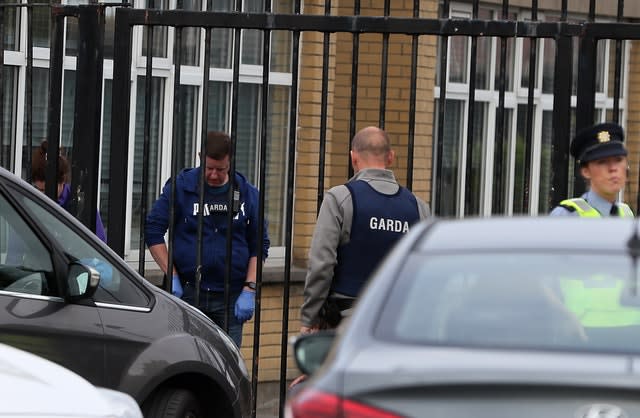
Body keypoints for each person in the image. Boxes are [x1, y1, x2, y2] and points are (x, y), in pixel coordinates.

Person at [299, 126, 430, 335]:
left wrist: (310, 316)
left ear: (353, 157)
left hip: (348, 322)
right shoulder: (419, 207)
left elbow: (322, 264)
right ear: (391, 157)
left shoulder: (340, 199)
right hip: (399, 323)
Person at [144, 131, 270, 347]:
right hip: (189, 292)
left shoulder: (247, 194)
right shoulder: (181, 187)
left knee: (227, 363)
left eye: (220, 170)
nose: (213, 175)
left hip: (230, 297)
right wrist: (171, 276)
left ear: (230, 162)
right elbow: (153, 230)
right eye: (208, 168)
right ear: (200, 156)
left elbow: (259, 244)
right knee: (184, 355)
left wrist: (250, 288)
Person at [549, 122, 633, 218]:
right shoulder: (567, 215)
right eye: (602, 162)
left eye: (618, 160)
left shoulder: (626, 213)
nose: (613, 168)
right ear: (586, 171)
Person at [31, 140, 107, 242]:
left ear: (62, 180)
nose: (42, 194)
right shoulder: (30, 203)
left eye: (46, 190)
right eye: (37, 189)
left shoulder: (80, 204)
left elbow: (99, 244)